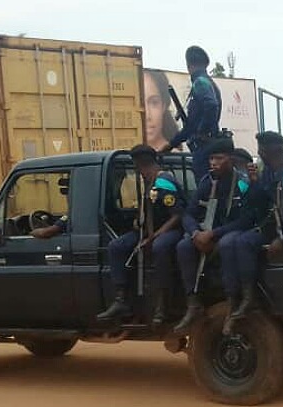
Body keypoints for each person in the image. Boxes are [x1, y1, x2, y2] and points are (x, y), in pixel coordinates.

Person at [220, 131, 283, 327]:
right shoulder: (267, 173)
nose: (259, 154)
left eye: (261, 150)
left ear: (268, 151)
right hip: (274, 224)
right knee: (243, 242)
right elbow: (259, 203)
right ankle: (249, 297)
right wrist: (254, 183)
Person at [97, 144, 186, 326]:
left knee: (160, 247)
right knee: (116, 246)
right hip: (147, 230)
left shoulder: (163, 182)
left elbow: (177, 216)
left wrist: (152, 238)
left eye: (137, 166)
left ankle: (163, 303)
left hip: (170, 230)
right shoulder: (149, 181)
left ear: (141, 164)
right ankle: (122, 300)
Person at [172, 137, 250, 334]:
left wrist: (214, 234)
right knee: (183, 246)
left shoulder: (241, 183)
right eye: (211, 159)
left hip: (230, 232)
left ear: (231, 159)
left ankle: (233, 301)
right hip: (205, 233)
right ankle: (193, 303)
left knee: (227, 244)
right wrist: (195, 233)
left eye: (219, 158)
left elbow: (247, 219)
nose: (213, 163)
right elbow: (189, 213)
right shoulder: (208, 182)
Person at [160, 46, 222, 183]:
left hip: (205, 148)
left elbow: (211, 105)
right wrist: (171, 144)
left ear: (188, 65)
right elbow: (190, 126)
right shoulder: (208, 83)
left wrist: (202, 132)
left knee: (204, 187)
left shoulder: (200, 82)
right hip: (205, 146)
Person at [143, 70, 180, 152]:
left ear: (163, 105)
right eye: (140, 104)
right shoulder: (121, 157)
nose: (147, 116)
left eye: (154, 103)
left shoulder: (175, 156)